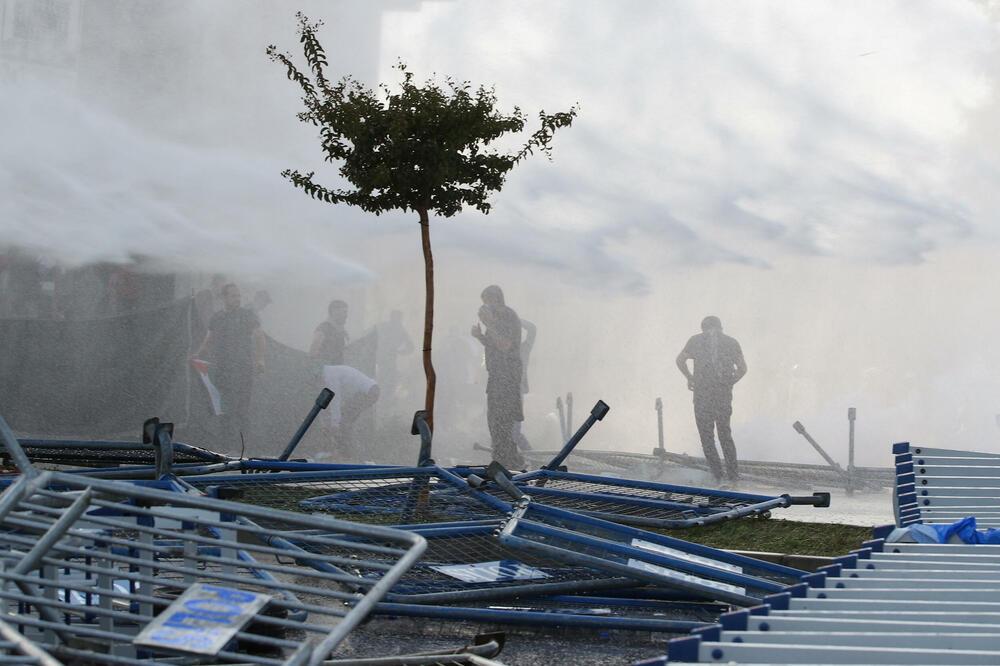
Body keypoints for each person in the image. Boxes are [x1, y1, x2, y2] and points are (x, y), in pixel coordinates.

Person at [191, 283, 266, 450]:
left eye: (239, 296)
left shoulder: (247, 315)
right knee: (225, 408)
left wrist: (260, 359)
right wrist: (197, 354)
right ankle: (226, 446)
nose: (237, 299)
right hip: (222, 369)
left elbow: (260, 336)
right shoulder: (217, 317)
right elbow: (209, 339)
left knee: (241, 409)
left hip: (242, 368)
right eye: (234, 296)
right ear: (224, 298)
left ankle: (244, 446)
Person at [676, 315, 747, 485]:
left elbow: (680, 360)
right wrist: (729, 382)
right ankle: (733, 475)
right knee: (725, 434)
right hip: (722, 396)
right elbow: (743, 369)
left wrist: (690, 377)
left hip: (702, 395)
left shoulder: (695, 340)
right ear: (721, 328)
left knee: (706, 436)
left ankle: (717, 475)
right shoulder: (731, 342)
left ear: (703, 328)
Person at [471, 285, 525, 470]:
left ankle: (508, 463)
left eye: (487, 302)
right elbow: (493, 344)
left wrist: (490, 324)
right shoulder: (496, 319)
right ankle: (504, 461)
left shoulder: (508, 317)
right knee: (494, 420)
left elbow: (505, 345)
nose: (485, 307)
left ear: (495, 301)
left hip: (507, 377)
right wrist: (480, 336)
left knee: (503, 421)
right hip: (496, 376)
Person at [321, 364, 380, 459]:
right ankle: (346, 451)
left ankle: (347, 454)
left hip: (369, 392)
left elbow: (335, 400)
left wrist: (334, 425)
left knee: (344, 421)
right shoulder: (331, 371)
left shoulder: (330, 376)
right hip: (369, 391)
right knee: (345, 419)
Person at [310, 299, 349, 365]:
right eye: (344, 312)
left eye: (346, 312)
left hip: (336, 369)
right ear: (335, 312)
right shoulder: (324, 327)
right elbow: (313, 349)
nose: (346, 315)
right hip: (326, 369)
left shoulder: (341, 331)